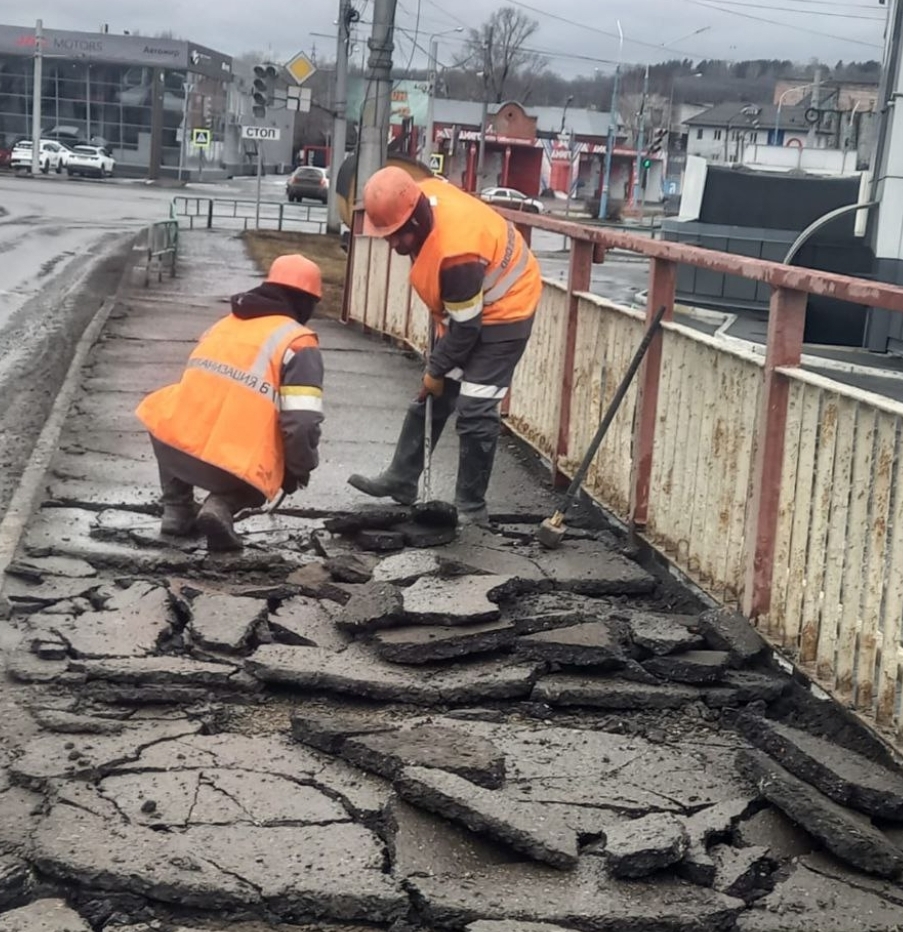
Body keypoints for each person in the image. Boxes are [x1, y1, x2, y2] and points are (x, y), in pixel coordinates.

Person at [348, 166, 542, 525]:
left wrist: (437, 369)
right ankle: (401, 479)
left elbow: (467, 329)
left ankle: (471, 508)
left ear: (415, 222)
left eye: (395, 237)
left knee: (476, 406)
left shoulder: (456, 255)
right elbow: (459, 318)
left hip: (507, 308)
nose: (391, 246)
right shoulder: (414, 196)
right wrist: (435, 375)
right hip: (467, 307)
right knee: (431, 393)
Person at [136, 254, 325, 552]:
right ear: (305, 302)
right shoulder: (299, 342)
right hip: (230, 468)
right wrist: (298, 469)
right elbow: (301, 423)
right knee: (269, 462)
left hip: (174, 450)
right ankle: (220, 506)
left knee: (169, 411)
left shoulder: (226, 323)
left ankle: (176, 509)